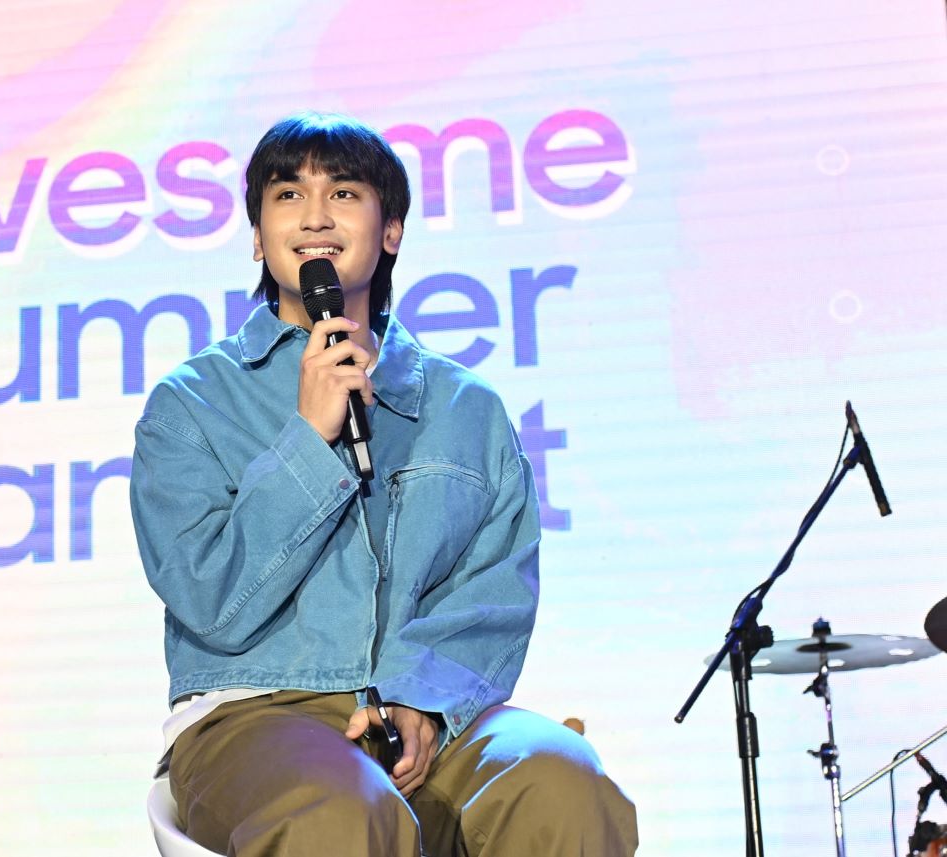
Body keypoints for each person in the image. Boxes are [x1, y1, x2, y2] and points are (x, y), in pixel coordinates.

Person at [130, 111, 637, 856]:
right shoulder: (193, 403)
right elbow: (209, 599)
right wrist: (308, 438)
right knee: (339, 807)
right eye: (287, 195)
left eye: (343, 193)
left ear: (391, 229)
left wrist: (425, 693)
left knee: (561, 777)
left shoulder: (466, 408)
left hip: (433, 715)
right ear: (257, 234)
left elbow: (493, 588)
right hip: (259, 713)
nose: (314, 217)